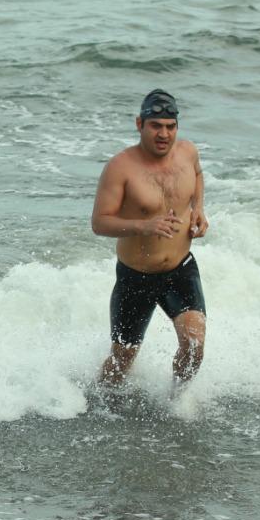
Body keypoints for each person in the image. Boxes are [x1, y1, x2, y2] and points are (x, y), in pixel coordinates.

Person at [91, 90, 209, 389]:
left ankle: (177, 400)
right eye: (156, 125)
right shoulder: (120, 168)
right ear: (139, 124)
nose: (164, 133)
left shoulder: (188, 153)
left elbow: (197, 175)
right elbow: (100, 223)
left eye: (170, 126)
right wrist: (145, 226)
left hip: (180, 269)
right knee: (121, 363)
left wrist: (199, 209)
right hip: (135, 278)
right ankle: (99, 404)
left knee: (194, 345)